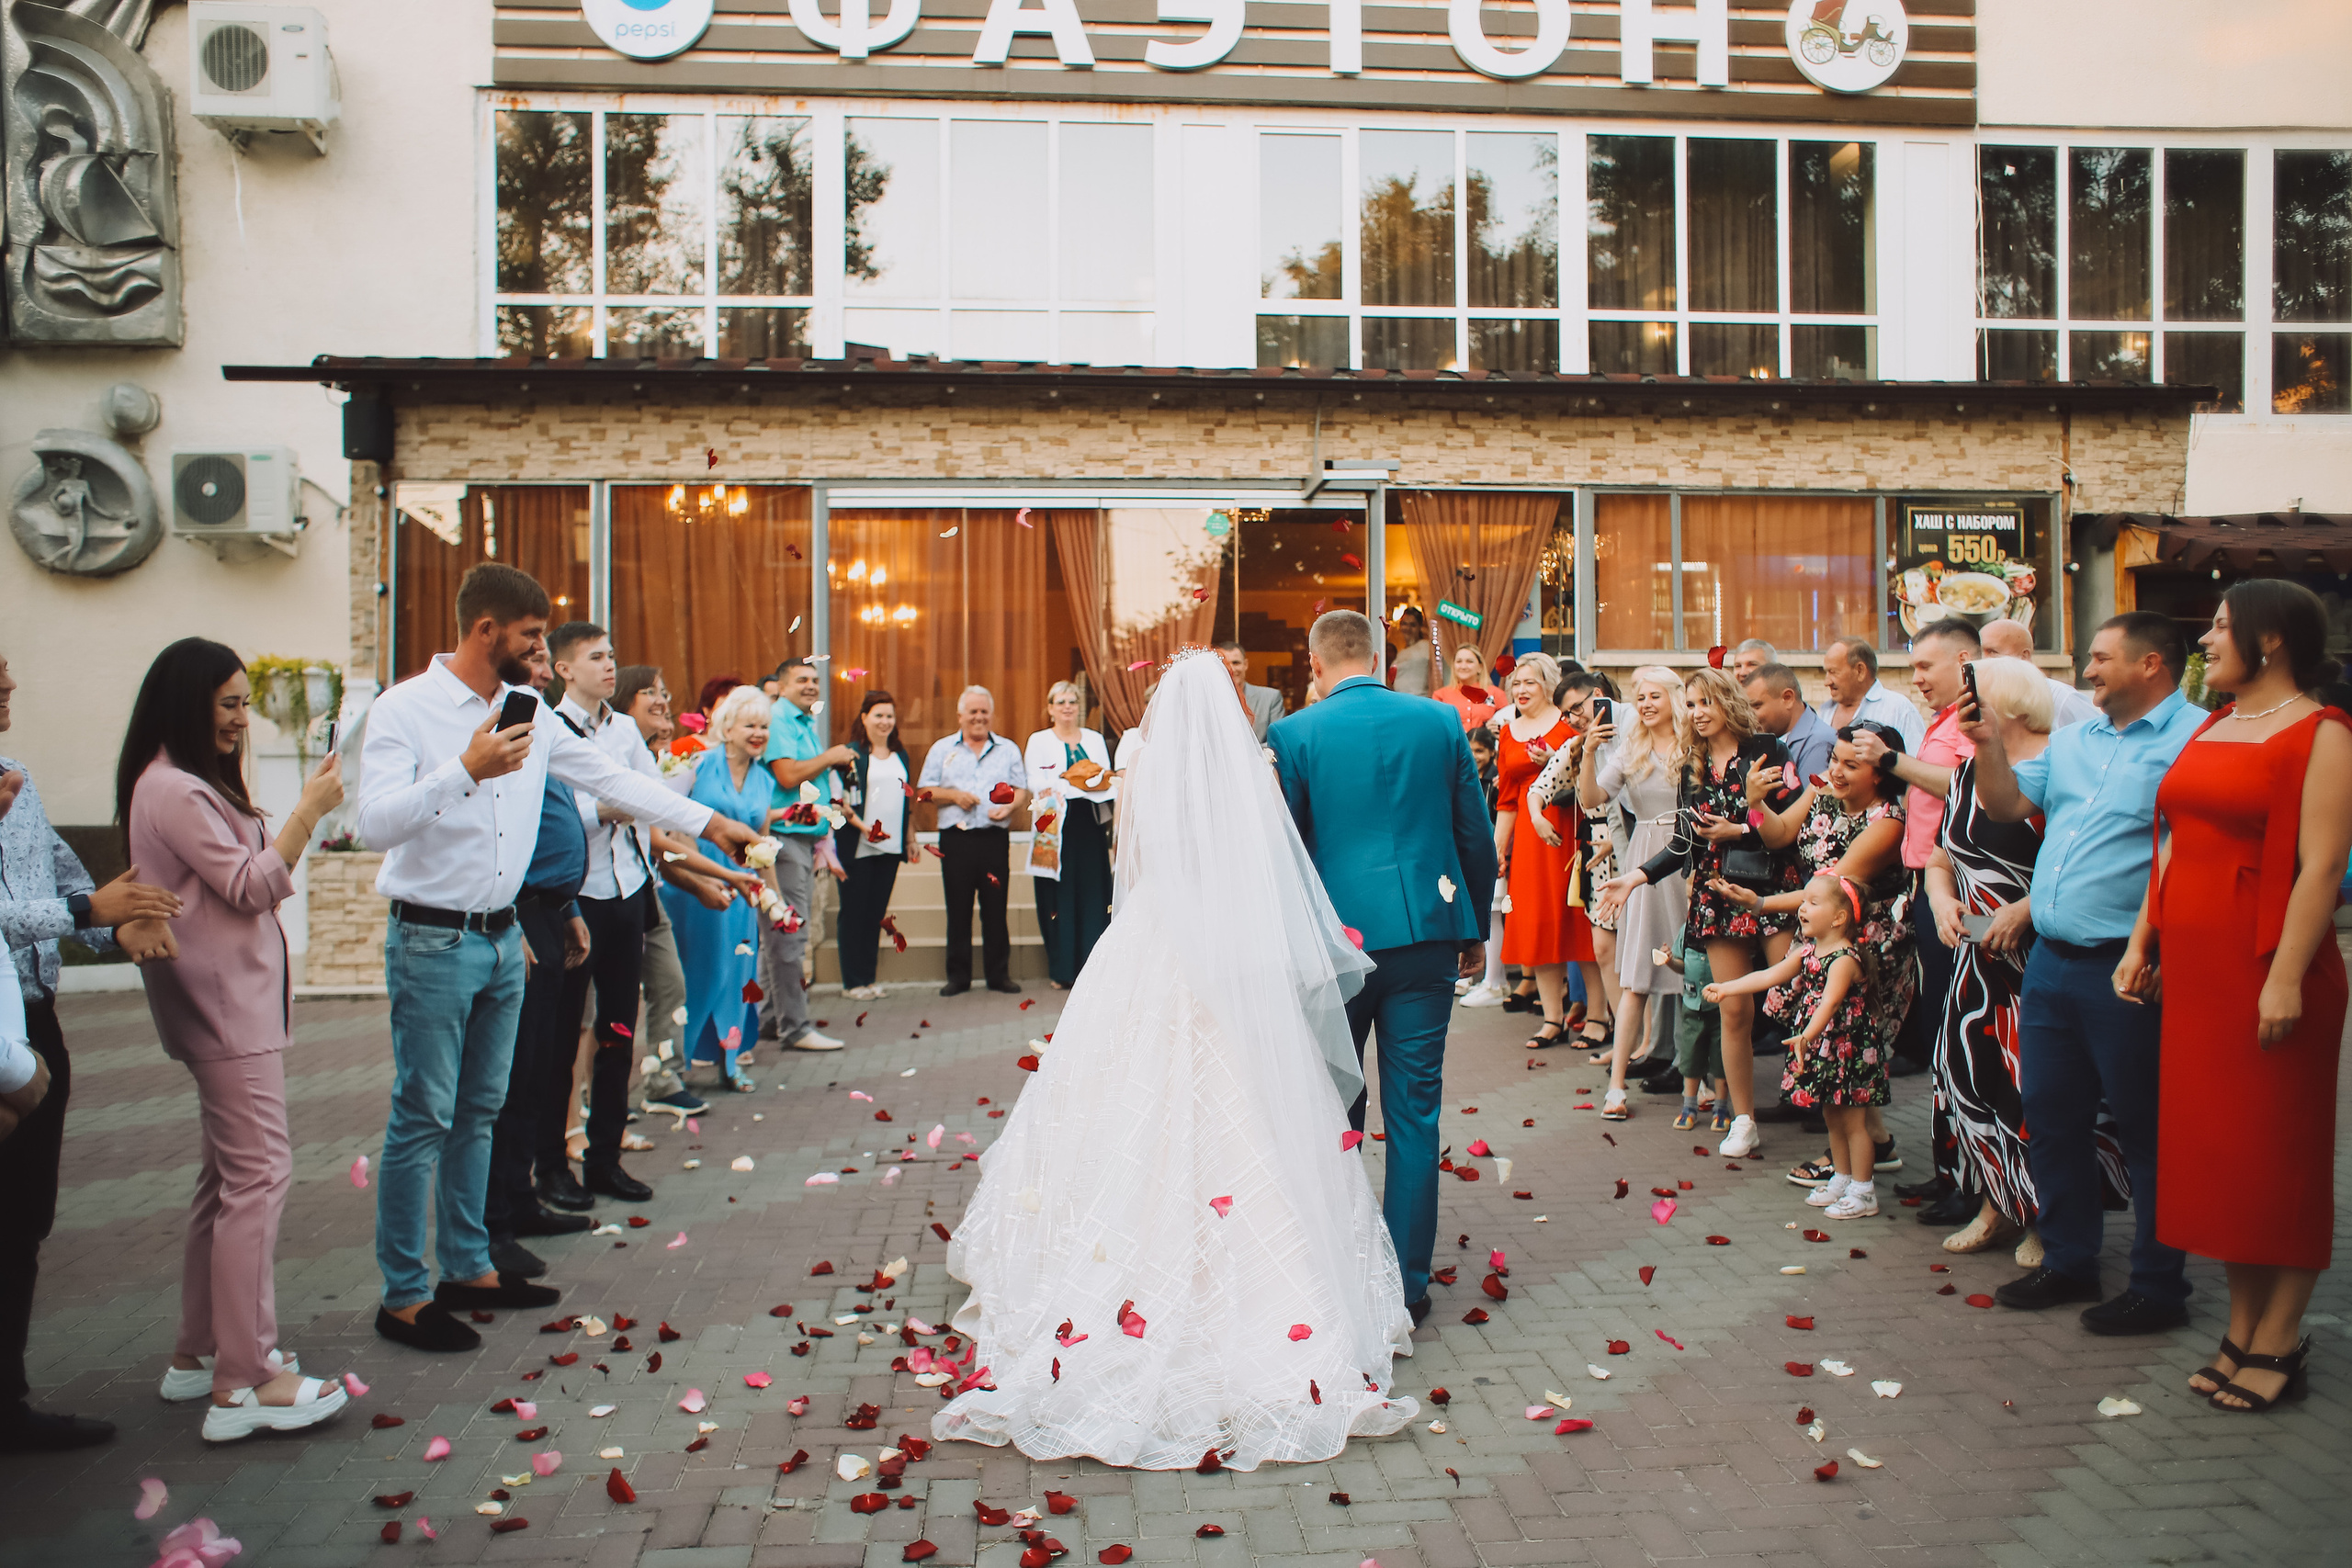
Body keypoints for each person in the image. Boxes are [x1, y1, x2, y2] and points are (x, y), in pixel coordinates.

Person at [934, 649, 1420, 1469]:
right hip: (1227, 953)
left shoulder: (1145, 768)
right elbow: (1271, 873)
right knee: (1244, 1108)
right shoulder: (1249, 773)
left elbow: (1134, 869)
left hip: (1151, 948)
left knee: (1134, 1096)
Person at [356, 564, 756, 1353]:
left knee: (481, 1109)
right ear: (487, 632)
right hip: (433, 937)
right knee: (422, 1117)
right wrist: (463, 769)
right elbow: (372, 825)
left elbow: (607, 778)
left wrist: (709, 822)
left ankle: (469, 1263)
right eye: (533, 638)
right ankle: (403, 1293)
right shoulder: (405, 710)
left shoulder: (530, 713)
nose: (542, 655)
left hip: (507, 936)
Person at [118, 640, 353, 1440]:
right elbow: (251, 887)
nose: (240, 719)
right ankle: (245, 1378)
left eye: (245, 702)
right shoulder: (176, 789)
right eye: (227, 703)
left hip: (224, 1004)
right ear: (186, 703)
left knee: (226, 1181)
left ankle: (199, 1352)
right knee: (258, 1178)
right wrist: (308, 812)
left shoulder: (171, 782)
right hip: (226, 1008)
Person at [2127, 582, 2350, 1410]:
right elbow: (2181, 839)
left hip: (2271, 972)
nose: (2206, 639)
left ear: (2272, 640)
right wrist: (2142, 939)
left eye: (2221, 626)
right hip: (2200, 977)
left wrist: (2285, 976)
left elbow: (2322, 867)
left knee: (2278, 1160)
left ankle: (2282, 1339)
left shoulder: (2322, 732)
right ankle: (2244, 1327)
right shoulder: (2218, 723)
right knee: (2223, 1160)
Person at [1962, 611, 2202, 1335]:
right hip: (2051, 964)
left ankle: (2159, 1286)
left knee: (2145, 1129)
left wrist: (2158, 949)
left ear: (2151, 663)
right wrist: (1986, 747)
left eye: (2100, 658)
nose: (2086, 671)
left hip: (2126, 970)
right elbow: (2005, 805)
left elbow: (2189, 856)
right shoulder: (2073, 741)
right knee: (2055, 1118)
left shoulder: (2195, 741)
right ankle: (2068, 1260)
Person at [1269, 610, 1497, 1325]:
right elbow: (1475, 833)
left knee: (1333, 1102)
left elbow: (1289, 854)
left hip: (1333, 945)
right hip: (1427, 933)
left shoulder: (1294, 733)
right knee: (1414, 1111)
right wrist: (1474, 921)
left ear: (1315, 663)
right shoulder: (1438, 722)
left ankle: (1336, 1264)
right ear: (1375, 656)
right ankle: (1405, 1283)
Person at [0, 652, 178, 1452]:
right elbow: (51, 904)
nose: (9, 679)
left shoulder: (19, 776)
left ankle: (9, 1399)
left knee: (24, 1219)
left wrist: (117, 925)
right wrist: (83, 908)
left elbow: (70, 882)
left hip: (35, 1023)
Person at [1595, 667, 1801, 1158]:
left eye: (1705, 702)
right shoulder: (1692, 763)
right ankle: (1744, 1119)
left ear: (1728, 701)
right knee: (1732, 1006)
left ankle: (1828, 1108)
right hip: (1716, 891)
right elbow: (1686, 841)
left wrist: (1741, 829)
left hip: (1772, 886)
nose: (1697, 713)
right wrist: (1636, 876)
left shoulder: (1766, 749)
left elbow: (1792, 825)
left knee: (1794, 998)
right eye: (1690, 704)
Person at [1723, 725, 1915, 1167]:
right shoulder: (1823, 792)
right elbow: (1778, 834)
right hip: (1822, 932)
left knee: (1846, 1047)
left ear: (1881, 773)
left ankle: (1848, 1162)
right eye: (1835, 760)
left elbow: (1832, 887)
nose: (1837, 772)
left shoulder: (1887, 822)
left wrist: (1762, 902)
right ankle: (1876, 1147)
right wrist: (1755, 802)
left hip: (1868, 945)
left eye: (1852, 765)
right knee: (1833, 1042)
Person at [1919, 656, 2055, 1258]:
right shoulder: (1970, 773)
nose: (1962, 709)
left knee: (2036, 1093)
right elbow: (1939, 858)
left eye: (1976, 699)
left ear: (2014, 705)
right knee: (1971, 1082)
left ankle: (2047, 1221)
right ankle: (1996, 1204)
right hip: (1973, 962)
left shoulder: (2056, 767)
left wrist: (2022, 909)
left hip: (2035, 960)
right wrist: (1943, 901)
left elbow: (2075, 864)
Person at [549, 624, 683, 1210]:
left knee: (618, 1031)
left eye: (612, 655)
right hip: (576, 898)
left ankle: (607, 1158)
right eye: (596, 657)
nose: (610, 667)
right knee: (561, 1036)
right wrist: (603, 806)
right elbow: (550, 816)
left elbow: (648, 794)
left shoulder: (624, 728)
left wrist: (632, 803)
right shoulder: (547, 731)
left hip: (629, 890)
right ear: (563, 669)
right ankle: (552, 1162)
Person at [481, 641, 601, 1258]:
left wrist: (570, 908)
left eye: (547, 656)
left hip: (550, 912)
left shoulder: (543, 727)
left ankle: (521, 1196)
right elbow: (503, 835)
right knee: (511, 1073)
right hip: (518, 915)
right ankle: (494, 1221)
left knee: (538, 1068)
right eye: (533, 655)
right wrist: (517, 918)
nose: (544, 668)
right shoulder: (501, 735)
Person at [1844, 618, 1976, 1080]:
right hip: (1929, 880)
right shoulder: (1944, 717)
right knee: (1937, 1002)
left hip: (1956, 883)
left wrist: (1889, 759)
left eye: (1924, 666)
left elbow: (1966, 785)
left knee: (1953, 1008)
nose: (1916, 678)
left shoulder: (1972, 719)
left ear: (1964, 661)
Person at [1710, 873, 1883, 1217]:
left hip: (1847, 1051)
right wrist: (1729, 988)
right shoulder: (1808, 951)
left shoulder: (1846, 958)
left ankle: (1864, 1191)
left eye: (1812, 903)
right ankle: (1842, 1178)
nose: (1802, 908)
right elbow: (1767, 976)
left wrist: (1807, 1035)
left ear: (1839, 917)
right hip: (1825, 1048)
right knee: (1832, 1115)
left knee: (1855, 1123)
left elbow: (1831, 1003)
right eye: (1803, 901)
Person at [1568, 666, 1689, 1119]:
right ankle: (1617, 1086)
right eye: (1640, 697)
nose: (1646, 704)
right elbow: (1593, 799)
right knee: (1638, 972)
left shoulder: (1692, 744)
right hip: (1644, 856)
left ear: (1673, 697)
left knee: (1696, 968)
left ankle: (1703, 1083)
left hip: (1689, 856)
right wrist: (1588, 752)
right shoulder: (1629, 745)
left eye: (1655, 695)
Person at [666, 686, 789, 1091]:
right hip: (693, 888)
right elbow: (671, 825)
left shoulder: (764, 780)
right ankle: (675, 1067)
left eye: (765, 727)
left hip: (740, 895)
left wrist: (775, 902)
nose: (759, 733)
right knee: (696, 974)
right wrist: (700, 878)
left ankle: (730, 1064)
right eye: (750, 724)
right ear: (728, 726)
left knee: (738, 974)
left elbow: (762, 846)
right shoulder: (696, 764)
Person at [612, 666, 718, 1117]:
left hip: (643, 888)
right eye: (649, 692)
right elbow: (656, 839)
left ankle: (661, 1077)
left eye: (664, 690)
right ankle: (585, 1102)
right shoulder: (609, 753)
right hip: (603, 892)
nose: (663, 700)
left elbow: (665, 840)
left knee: (669, 983)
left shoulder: (660, 759)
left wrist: (703, 877)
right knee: (603, 1006)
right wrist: (720, 877)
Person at [1490, 653, 1588, 1050]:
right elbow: (1508, 799)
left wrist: (1555, 765)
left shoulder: (1568, 725)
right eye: (1516, 683)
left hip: (1568, 829)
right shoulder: (1508, 731)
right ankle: (1551, 1018)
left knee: (1577, 923)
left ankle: (1595, 1012)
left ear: (1548, 683)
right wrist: (1498, 848)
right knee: (1537, 926)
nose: (1521, 689)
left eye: (1529, 682)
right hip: (1530, 841)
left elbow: (1589, 781)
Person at [759, 659, 853, 1053]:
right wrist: (830, 756)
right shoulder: (780, 718)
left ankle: (769, 1018)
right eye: (802, 680)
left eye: (815, 680)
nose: (812, 686)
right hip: (785, 838)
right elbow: (786, 776)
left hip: (802, 838)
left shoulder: (799, 721)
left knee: (778, 935)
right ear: (781, 686)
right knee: (789, 935)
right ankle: (795, 1027)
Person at [919, 687, 1031, 997]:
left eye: (984, 712)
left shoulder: (1008, 749)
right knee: (958, 908)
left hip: (994, 838)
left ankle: (998, 975)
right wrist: (953, 795)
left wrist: (1009, 806)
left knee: (996, 908)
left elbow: (1021, 789)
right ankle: (958, 977)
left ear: (991, 716)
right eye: (973, 712)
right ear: (961, 716)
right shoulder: (942, 749)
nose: (979, 717)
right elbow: (923, 791)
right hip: (955, 840)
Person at [1024, 682, 1115, 989]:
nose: (1067, 706)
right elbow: (1037, 781)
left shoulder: (1094, 738)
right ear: (1050, 708)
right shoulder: (1038, 740)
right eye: (1060, 701)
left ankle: (1093, 968)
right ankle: (1063, 969)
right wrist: (1074, 782)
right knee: (1059, 895)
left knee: (1093, 894)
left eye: (1073, 701)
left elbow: (1103, 777)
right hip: (1054, 825)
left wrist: (1068, 781)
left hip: (1088, 823)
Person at [830, 691, 920, 999]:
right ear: (864, 717)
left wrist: (910, 838)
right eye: (878, 715)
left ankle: (868, 979)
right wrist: (863, 828)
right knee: (853, 912)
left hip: (891, 847)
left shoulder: (901, 756)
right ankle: (852, 983)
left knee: (875, 914)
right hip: (858, 845)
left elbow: (907, 800)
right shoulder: (850, 755)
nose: (885, 722)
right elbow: (838, 799)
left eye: (889, 716)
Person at [1983, 617, 2099, 728]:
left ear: (2024, 657)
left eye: (1993, 652)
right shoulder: (1976, 701)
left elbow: (2100, 741)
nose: (1981, 660)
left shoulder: (2060, 699)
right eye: (1979, 652)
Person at [1818, 637, 1925, 753]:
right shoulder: (1825, 711)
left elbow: (1917, 763)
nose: (1827, 682)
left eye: (1833, 672)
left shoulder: (1900, 710)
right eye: (1826, 673)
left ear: (1860, 671)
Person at [1743, 663, 1835, 781]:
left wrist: (1755, 799)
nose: (1749, 715)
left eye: (1756, 706)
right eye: (1746, 708)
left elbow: (1811, 798)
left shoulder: (1819, 743)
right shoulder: (1769, 738)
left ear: (1788, 698)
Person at [1216, 640, 1285, 741]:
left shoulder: (1271, 698)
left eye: (1236, 663)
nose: (1231, 669)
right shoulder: (1209, 701)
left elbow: (1278, 741)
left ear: (1246, 664)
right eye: (1225, 664)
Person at [1433, 645, 1498, 733]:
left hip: (1485, 744)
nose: (1463, 666)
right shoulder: (1440, 695)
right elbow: (1436, 727)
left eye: (1469, 662)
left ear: (1480, 667)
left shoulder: (1495, 693)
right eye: (1459, 661)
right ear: (1454, 666)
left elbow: (1508, 723)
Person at [1388, 606, 1435, 696]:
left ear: (1420, 627)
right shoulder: (1400, 652)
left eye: (1413, 625)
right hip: (1401, 702)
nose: (1408, 628)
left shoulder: (1425, 647)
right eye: (1404, 624)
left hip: (1419, 700)